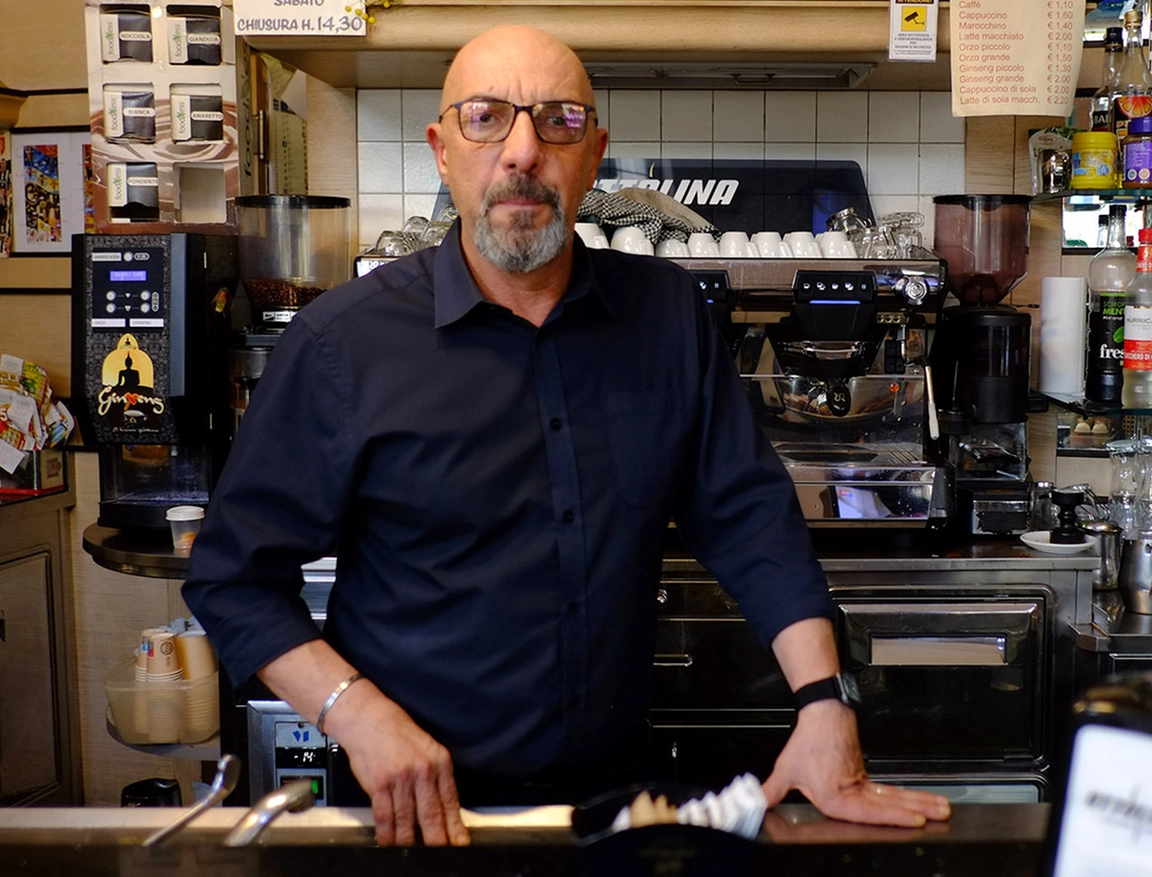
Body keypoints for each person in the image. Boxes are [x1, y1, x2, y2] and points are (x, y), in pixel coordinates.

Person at [182, 24, 949, 847]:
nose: (521, 151)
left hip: (611, 802)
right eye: (486, 119)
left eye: (559, 121)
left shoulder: (664, 315)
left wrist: (823, 702)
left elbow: (747, 516)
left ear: (594, 156)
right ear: (443, 151)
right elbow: (232, 577)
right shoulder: (343, 345)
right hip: (412, 806)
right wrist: (356, 714)